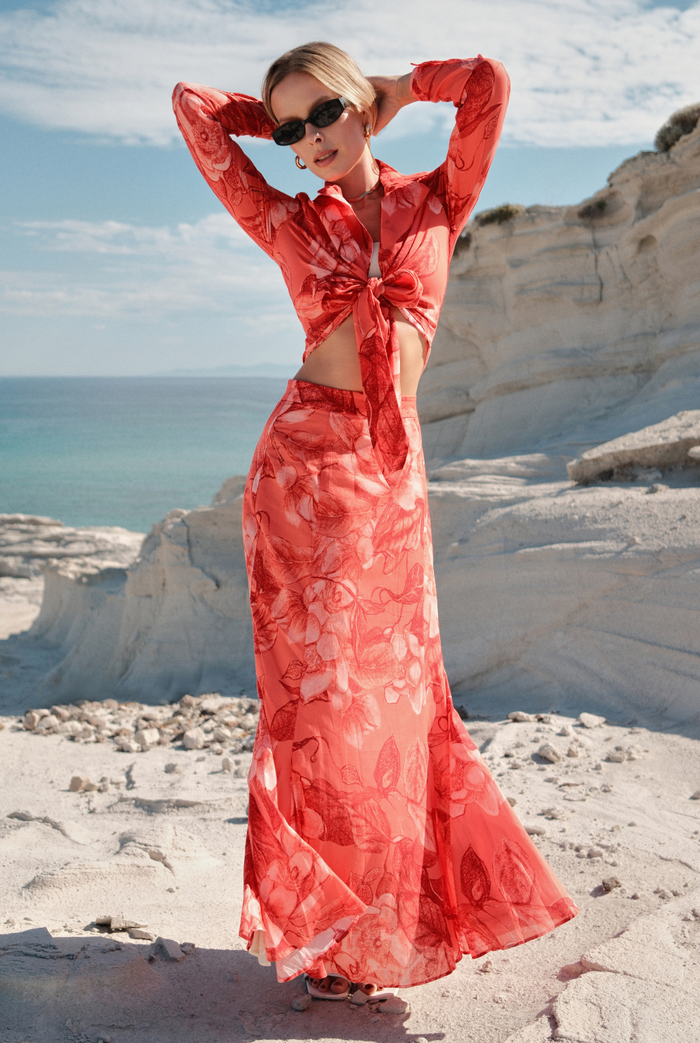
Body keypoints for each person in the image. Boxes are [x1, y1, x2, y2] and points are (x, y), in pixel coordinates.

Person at [172, 41, 578, 999]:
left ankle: (389, 926)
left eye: (326, 114)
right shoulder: (282, 217)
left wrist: (396, 91)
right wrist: (277, 123)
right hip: (303, 471)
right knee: (320, 711)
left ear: (360, 106)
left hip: (391, 474)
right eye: (292, 129)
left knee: (395, 707)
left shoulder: (438, 201)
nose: (310, 139)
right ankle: (338, 939)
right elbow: (193, 108)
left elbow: (485, 86)